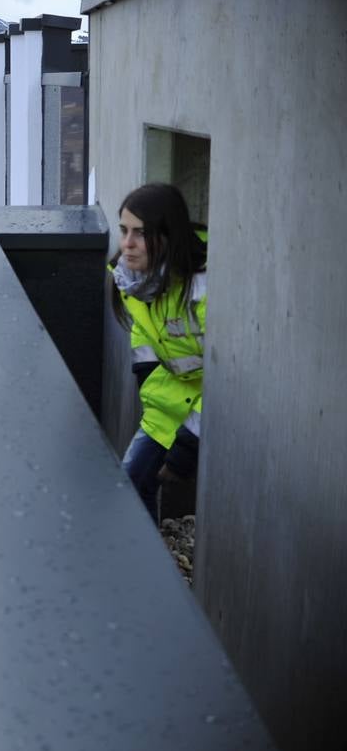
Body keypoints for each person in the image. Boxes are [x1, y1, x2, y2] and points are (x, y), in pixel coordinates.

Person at [110, 183, 207, 522]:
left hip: (208, 411)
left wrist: (189, 444)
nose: (127, 244)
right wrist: (147, 372)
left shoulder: (203, 288)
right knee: (131, 490)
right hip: (166, 402)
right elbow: (143, 329)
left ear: (168, 236)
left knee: (132, 492)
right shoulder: (134, 281)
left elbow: (228, 377)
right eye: (124, 231)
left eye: (141, 233)